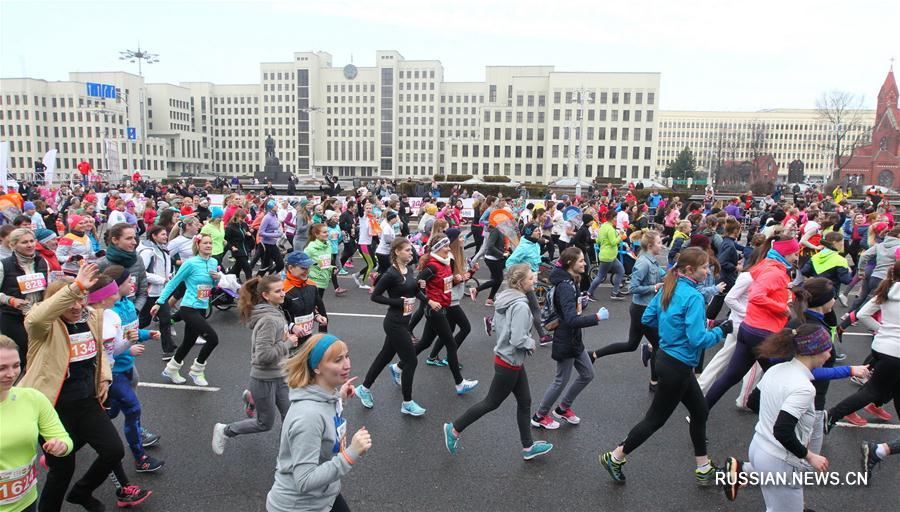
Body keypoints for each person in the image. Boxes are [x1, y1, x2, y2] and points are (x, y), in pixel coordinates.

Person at [20, 264, 152, 510]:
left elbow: (100, 353)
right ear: (57, 303)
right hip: (53, 408)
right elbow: (37, 316)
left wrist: (103, 377)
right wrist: (76, 286)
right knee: (62, 470)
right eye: (70, 301)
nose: (76, 306)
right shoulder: (43, 328)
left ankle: (80, 493)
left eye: (81, 300)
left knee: (113, 450)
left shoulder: (89, 319)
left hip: (87, 401)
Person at [600, 247, 730, 485]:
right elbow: (699, 340)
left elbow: (648, 318)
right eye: (704, 267)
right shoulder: (693, 297)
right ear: (690, 270)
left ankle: (703, 467)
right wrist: (721, 330)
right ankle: (616, 456)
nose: (707, 271)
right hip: (677, 366)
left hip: (668, 359)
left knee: (700, 410)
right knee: (655, 420)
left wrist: (668, 337)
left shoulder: (670, 288)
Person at [443, 263, 554, 460]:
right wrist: (530, 343)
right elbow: (518, 339)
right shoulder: (520, 305)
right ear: (520, 282)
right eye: (530, 278)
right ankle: (454, 429)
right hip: (509, 362)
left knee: (525, 401)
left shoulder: (506, 297)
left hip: (510, 359)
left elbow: (495, 324)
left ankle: (528, 447)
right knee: (491, 402)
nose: (534, 279)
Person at [724, 325, 834, 508]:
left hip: (758, 447)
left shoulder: (777, 369)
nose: (829, 356)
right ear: (814, 351)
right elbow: (782, 431)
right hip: (779, 460)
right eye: (827, 351)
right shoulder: (804, 388)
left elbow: (753, 402)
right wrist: (810, 456)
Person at [265, 333, 371, 512]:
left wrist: (340, 397)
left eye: (347, 356)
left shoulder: (324, 395)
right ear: (317, 368)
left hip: (325, 495)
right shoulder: (309, 416)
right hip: (299, 506)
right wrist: (350, 454)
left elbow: (325, 415)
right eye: (338, 360)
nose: (347, 364)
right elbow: (304, 481)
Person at [705, 238, 800, 410]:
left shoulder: (770, 266)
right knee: (781, 380)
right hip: (763, 333)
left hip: (750, 329)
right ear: (785, 253)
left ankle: (701, 412)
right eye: (794, 253)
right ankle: (776, 424)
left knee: (731, 377)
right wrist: (783, 308)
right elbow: (756, 295)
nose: (796, 257)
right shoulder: (774, 271)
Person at [212, 275, 295, 455]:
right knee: (264, 423)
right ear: (265, 295)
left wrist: (287, 338)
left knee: (290, 417)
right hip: (265, 378)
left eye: (283, 289)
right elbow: (263, 356)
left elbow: (276, 342)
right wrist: (288, 344)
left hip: (280, 375)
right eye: (278, 291)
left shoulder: (275, 312)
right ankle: (226, 430)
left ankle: (287, 457)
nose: (283, 294)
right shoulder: (269, 319)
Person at [532, 247, 609, 429]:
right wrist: (596, 317)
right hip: (566, 338)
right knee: (560, 380)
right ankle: (539, 416)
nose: (585, 263)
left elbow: (570, 312)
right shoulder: (565, 286)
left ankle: (563, 408)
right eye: (581, 261)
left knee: (587, 374)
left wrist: (579, 302)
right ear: (569, 263)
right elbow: (571, 319)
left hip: (574, 339)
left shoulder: (569, 280)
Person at [99, 266, 165, 473]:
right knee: (133, 409)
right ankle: (140, 458)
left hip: (128, 367)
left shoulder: (127, 304)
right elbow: (109, 347)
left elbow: (131, 333)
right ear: (116, 286)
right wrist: (130, 346)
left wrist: (147, 335)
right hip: (113, 371)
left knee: (112, 413)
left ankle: (77, 438)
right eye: (129, 282)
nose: (133, 285)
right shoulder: (109, 311)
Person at [826, 259, 900, 433]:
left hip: (881, 346)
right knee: (874, 390)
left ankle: (870, 406)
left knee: (893, 387)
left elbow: (862, 314)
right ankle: (833, 414)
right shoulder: (886, 289)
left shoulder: (886, 289)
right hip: (895, 353)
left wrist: (882, 330)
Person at [0, 335, 73, 512]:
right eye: (2, 368)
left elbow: (64, 438)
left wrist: (60, 446)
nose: (11, 374)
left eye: (16, 365)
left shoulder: (33, 398)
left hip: (26, 502)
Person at [398, 234, 478, 395]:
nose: (449, 248)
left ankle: (398, 366)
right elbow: (415, 287)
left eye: (449, 245)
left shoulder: (446, 262)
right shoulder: (432, 266)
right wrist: (428, 301)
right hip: (435, 310)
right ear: (437, 249)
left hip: (443, 307)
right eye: (445, 246)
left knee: (426, 342)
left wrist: (458, 279)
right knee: (451, 344)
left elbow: (445, 286)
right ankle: (459, 383)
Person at [356, 237, 427, 416]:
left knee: (385, 356)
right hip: (394, 323)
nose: (412, 253)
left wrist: (427, 297)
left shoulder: (408, 269)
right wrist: (396, 302)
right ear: (397, 252)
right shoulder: (391, 274)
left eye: (411, 250)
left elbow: (414, 291)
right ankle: (407, 403)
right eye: (408, 250)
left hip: (404, 321)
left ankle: (364, 388)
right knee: (411, 360)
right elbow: (375, 296)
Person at [588, 229, 663, 391]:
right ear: (650, 245)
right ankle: (654, 383)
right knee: (659, 344)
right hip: (642, 310)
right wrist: (654, 287)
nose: (662, 246)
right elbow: (633, 287)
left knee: (631, 345)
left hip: (642, 308)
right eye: (659, 243)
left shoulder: (653, 261)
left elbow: (664, 275)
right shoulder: (643, 263)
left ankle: (593, 354)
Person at [153, 233, 222, 386]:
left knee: (188, 342)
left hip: (202, 307)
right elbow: (173, 283)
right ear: (198, 245)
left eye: (210, 243)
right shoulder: (190, 263)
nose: (209, 245)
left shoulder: (213, 262)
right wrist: (159, 301)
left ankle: (171, 369)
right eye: (205, 243)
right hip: (189, 307)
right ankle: (197, 371)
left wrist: (217, 278)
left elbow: (214, 285)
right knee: (212, 339)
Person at [0, 228, 49, 368]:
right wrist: (10, 300)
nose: (29, 245)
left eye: (32, 241)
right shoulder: (4, 265)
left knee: (38, 355)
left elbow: (47, 288)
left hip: (37, 316)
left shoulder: (42, 262)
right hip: (13, 318)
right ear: (13, 245)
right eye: (24, 242)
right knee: (21, 356)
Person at [138, 224, 177, 360]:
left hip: (161, 293)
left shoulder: (162, 249)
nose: (165, 237)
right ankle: (126, 335)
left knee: (165, 320)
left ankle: (168, 349)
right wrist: (161, 280)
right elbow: (142, 273)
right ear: (154, 236)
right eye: (162, 234)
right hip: (150, 293)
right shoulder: (148, 251)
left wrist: (169, 276)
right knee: (144, 321)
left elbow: (164, 268)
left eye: (166, 234)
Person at [283, 251, 328, 348]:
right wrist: (292, 326)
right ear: (291, 268)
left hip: (307, 339)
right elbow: (275, 317)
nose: (307, 271)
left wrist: (317, 316)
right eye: (303, 268)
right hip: (290, 341)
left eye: (308, 267)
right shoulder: (282, 290)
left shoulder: (312, 285)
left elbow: (310, 307)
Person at [587, 213, 626, 301]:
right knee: (600, 276)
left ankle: (615, 292)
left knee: (620, 271)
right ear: (611, 218)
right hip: (608, 256)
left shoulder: (603, 226)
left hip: (608, 255)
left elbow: (598, 240)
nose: (616, 220)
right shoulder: (610, 229)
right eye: (615, 218)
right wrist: (621, 236)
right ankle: (589, 293)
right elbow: (613, 242)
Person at [259, 199, 284, 275]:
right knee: (265, 266)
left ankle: (269, 275)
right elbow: (261, 232)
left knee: (280, 264)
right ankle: (254, 283)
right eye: (275, 205)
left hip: (273, 244)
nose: (277, 206)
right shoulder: (267, 217)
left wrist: (279, 230)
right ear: (271, 207)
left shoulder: (275, 215)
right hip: (266, 245)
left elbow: (274, 227)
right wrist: (276, 235)